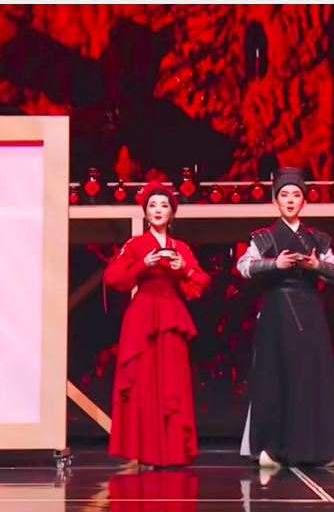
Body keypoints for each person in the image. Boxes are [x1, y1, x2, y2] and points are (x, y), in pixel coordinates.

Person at [237, 167, 334, 468]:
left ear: (304, 201)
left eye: (296, 195)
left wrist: (315, 266)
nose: (289, 200)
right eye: (284, 195)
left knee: (312, 375)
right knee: (276, 376)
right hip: (277, 309)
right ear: (275, 201)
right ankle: (274, 448)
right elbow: (244, 266)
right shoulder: (265, 237)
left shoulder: (317, 238)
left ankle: (318, 449)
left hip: (309, 308)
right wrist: (275, 264)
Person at [104, 180, 211, 470]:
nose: (158, 210)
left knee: (171, 382)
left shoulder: (180, 247)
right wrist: (143, 265)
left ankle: (173, 452)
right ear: (146, 212)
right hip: (143, 317)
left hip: (171, 317)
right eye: (153, 205)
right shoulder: (136, 244)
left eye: (164, 205)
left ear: (172, 212)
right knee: (143, 383)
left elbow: (201, 282)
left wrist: (184, 268)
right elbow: (113, 277)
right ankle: (146, 452)